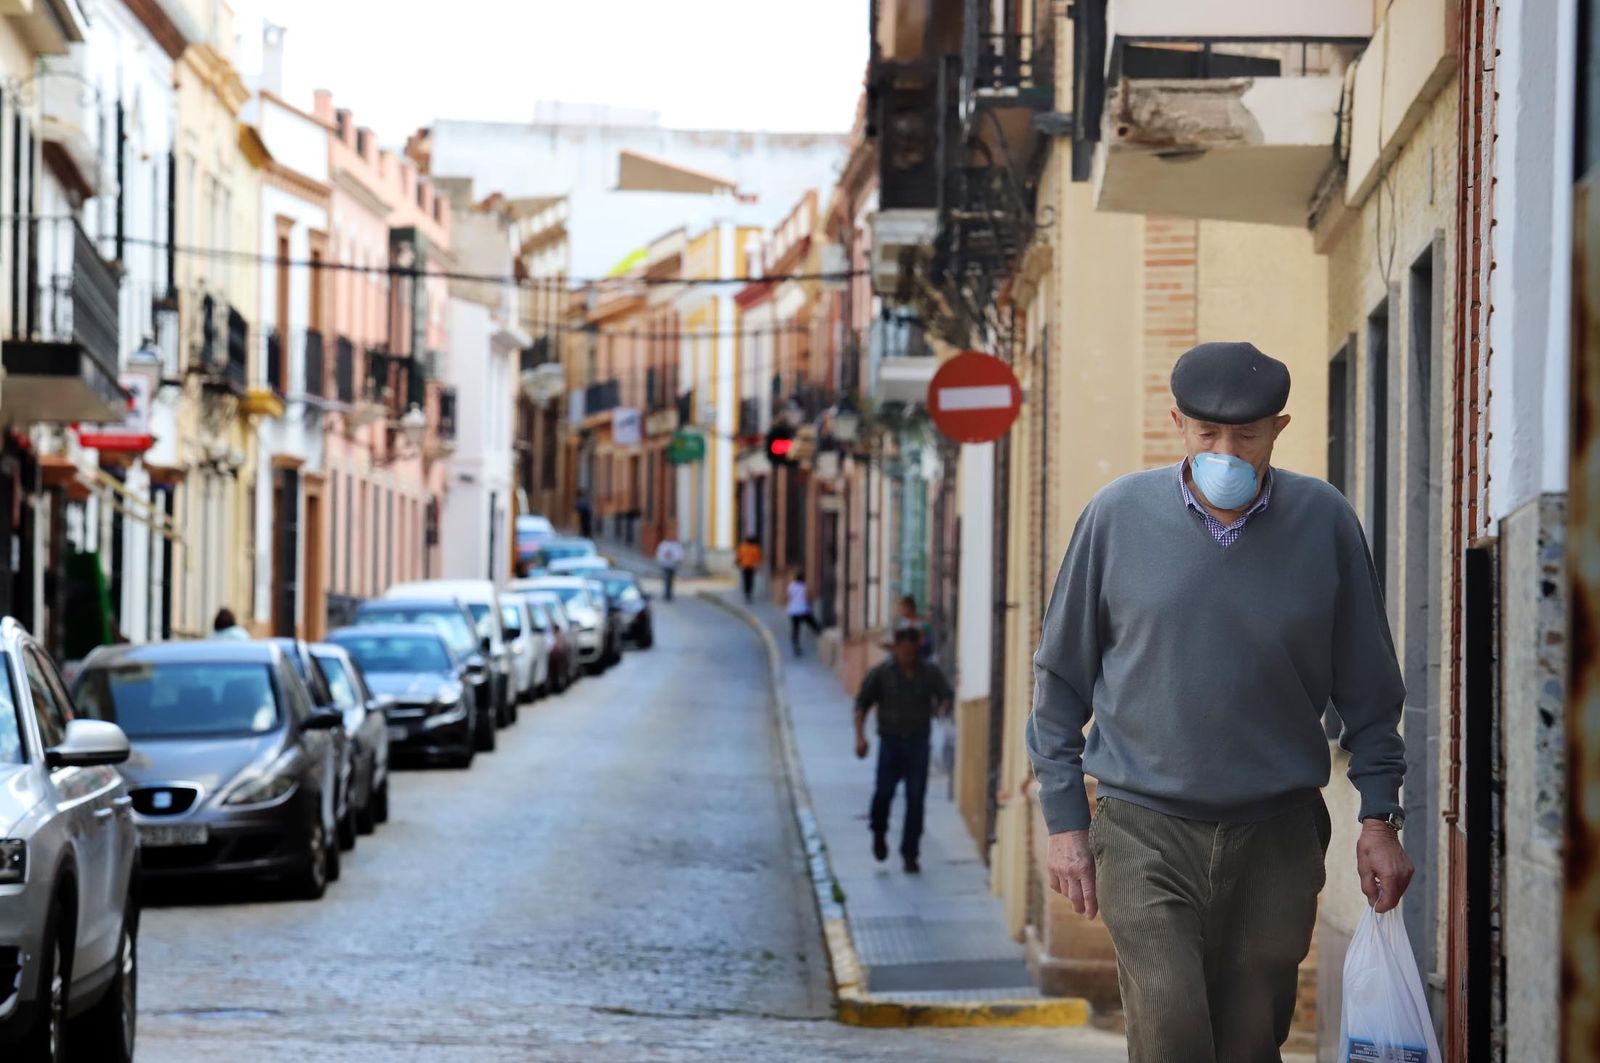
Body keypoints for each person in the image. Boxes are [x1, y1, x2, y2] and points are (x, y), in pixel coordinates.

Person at [1028, 341, 1412, 1063]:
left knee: (1247, 1041)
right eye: (1207, 433)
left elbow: (1371, 689)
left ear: (1280, 427)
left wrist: (1379, 816)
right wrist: (1065, 822)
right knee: (1171, 1023)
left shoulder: (1324, 522)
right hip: (1144, 828)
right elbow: (1059, 684)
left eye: (1246, 435)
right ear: (1178, 422)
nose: (1225, 451)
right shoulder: (1114, 519)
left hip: (1277, 832)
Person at [854, 627, 954, 874]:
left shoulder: (929, 672)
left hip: (918, 743)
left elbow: (946, 695)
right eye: (904, 652)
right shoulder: (881, 674)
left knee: (915, 798)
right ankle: (878, 832)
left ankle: (910, 853)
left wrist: (941, 708)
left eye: (913, 652)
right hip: (890, 742)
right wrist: (860, 738)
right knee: (884, 793)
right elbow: (861, 706)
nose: (909, 657)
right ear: (896, 649)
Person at [785, 571, 821, 656]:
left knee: (795, 629)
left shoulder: (791, 586)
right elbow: (808, 597)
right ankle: (819, 634)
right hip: (803, 609)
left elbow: (788, 597)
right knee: (812, 623)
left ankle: (795, 646)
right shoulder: (804, 586)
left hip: (793, 610)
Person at [892, 595, 935, 660]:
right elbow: (897, 641)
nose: (901, 610)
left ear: (910, 608)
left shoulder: (923, 623)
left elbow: (924, 642)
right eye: (901, 608)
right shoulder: (900, 623)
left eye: (903, 608)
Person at [654, 536, 685, 601]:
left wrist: (674, 558)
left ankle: (669, 593)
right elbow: (660, 554)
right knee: (666, 579)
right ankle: (667, 593)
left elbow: (679, 555)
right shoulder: (664, 544)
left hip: (673, 565)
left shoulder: (676, 545)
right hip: (665, 565)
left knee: (670, 580)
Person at [736, 535, 762, 604]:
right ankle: (749, 592)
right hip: (752, 566)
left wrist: (738, 562)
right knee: (751, 580)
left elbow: (739, 556)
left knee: (745, 579)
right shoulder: (755, 548)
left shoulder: (743, 547)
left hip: (744, 566)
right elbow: (758, 557)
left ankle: (746, 592)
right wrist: (757, 565)